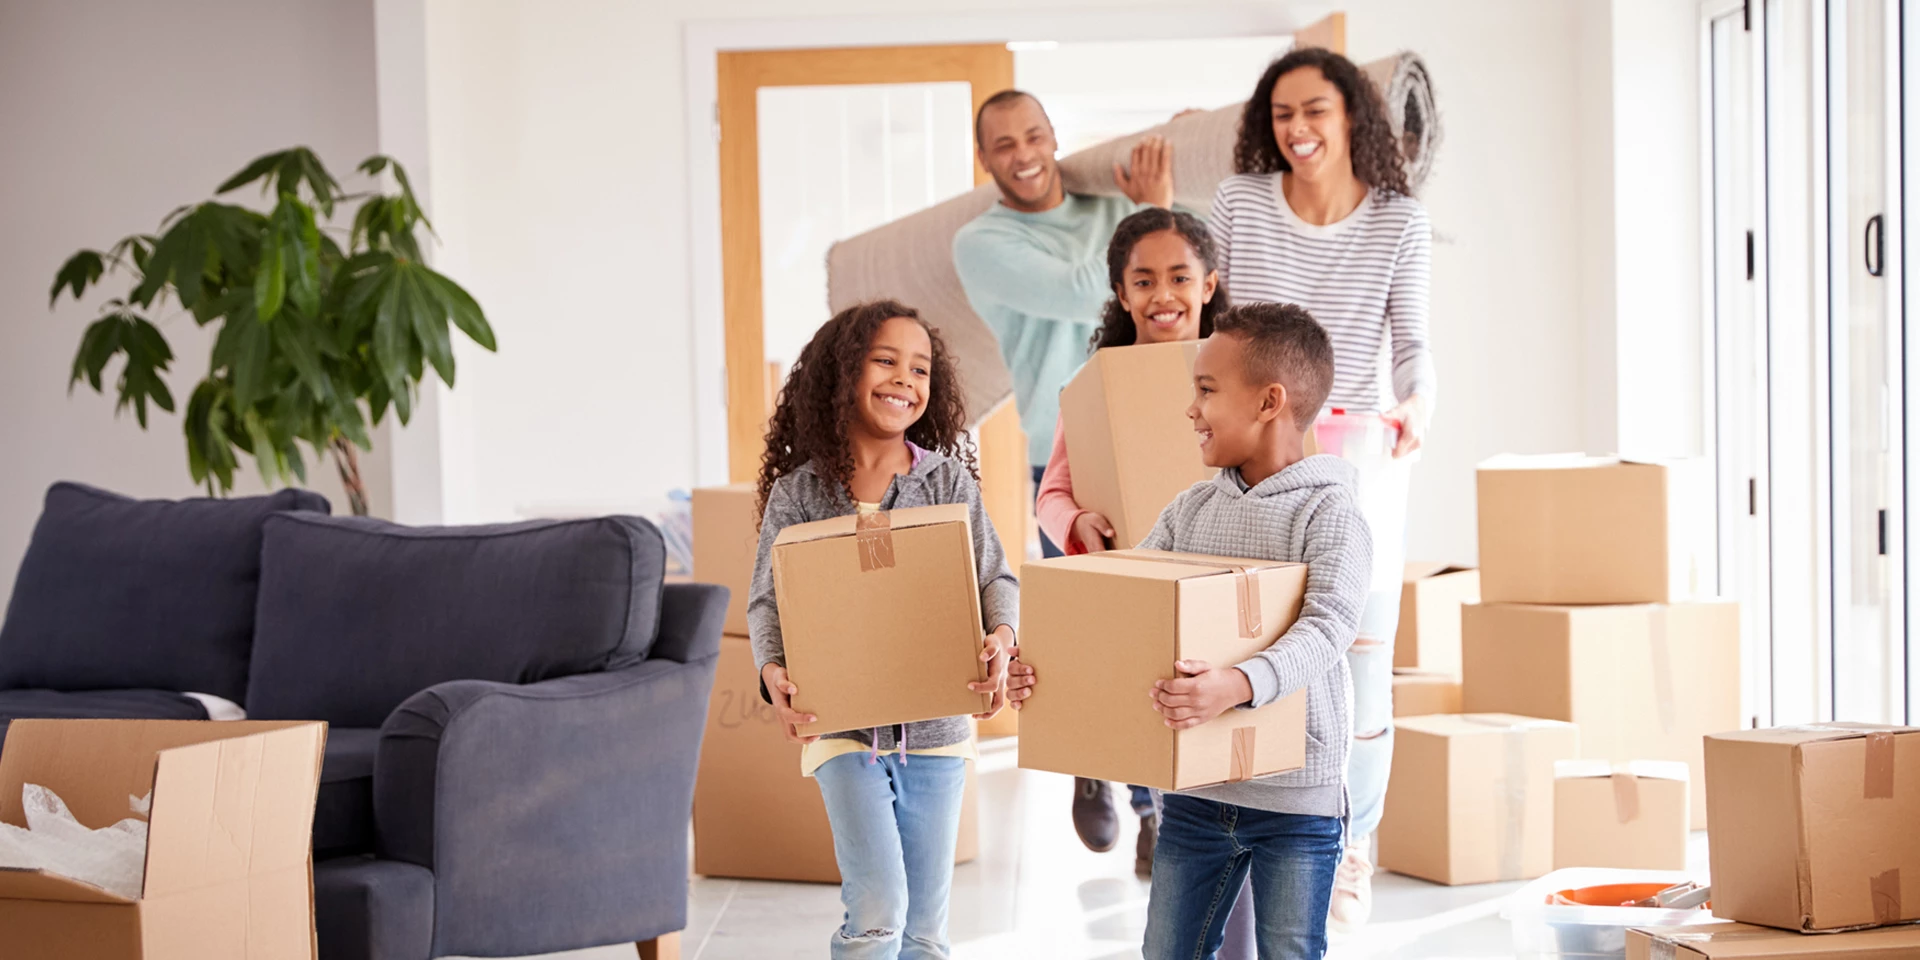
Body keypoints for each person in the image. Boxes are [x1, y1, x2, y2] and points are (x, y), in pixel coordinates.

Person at [1011, 301, 1369, 959]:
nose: (1191, 408)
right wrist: (1045, 668)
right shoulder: (1190, 509)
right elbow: (1129, 614)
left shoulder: (1331, 511)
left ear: (1269, 402)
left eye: (1206, 389)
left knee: (1292, 951)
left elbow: (1329, 628)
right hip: (1196, 797)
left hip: (1297, 802)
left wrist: (1238, 683)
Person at [1209, 46, 1436, 933]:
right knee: (1261, 656)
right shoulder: (1240, 204)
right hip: (1257, 469)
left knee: (1360, 677)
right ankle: (1251, 844)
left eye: (1315, 112)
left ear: (1353, 120)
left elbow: (1413, 343)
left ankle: (1351, 851)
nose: (1297, 131)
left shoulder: (1398, 222)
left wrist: (1419, 401)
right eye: (1281, 116)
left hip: (1361, 465)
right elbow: (1211, 324)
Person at [748, 300, 1017, 960]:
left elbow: (996, 580)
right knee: (878, 912)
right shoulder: (801, 493)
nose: (905, 380)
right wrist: (771, 670)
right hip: (840, 729)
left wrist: (1002, 639)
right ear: (844, 373)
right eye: (886, 361)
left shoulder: (948, 481)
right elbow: (766, 602)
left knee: (925, 930)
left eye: (920, 368)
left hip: (936, 734)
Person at [953, 87, 1178, 857]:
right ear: (984, 158)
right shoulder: (981, 243)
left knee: (1162, 634)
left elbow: (1181, 268)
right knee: (1098, 639)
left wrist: (1162, 183)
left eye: (1036, 135)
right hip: (1066, 451)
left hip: (1154, 435)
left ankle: (1154, 816)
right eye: (1005, 143)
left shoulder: (1103, 206)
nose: (1025, 154)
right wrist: (1148, 210)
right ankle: (1094, 765)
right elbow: (1083, 289)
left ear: (1053, 137)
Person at [1030, 206, 1227, 877]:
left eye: (1179, 277)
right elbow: (1051, 495)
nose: (1162, 295)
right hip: (1133, 588)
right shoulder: (1096, 389)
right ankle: (1118, 787)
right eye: (1143, 281)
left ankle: (1167, 842)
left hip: (1218, 591)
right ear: (1121, 293)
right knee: (1152, 729)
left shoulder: (1243, 375)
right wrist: (1076, 525)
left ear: (1209, 284)